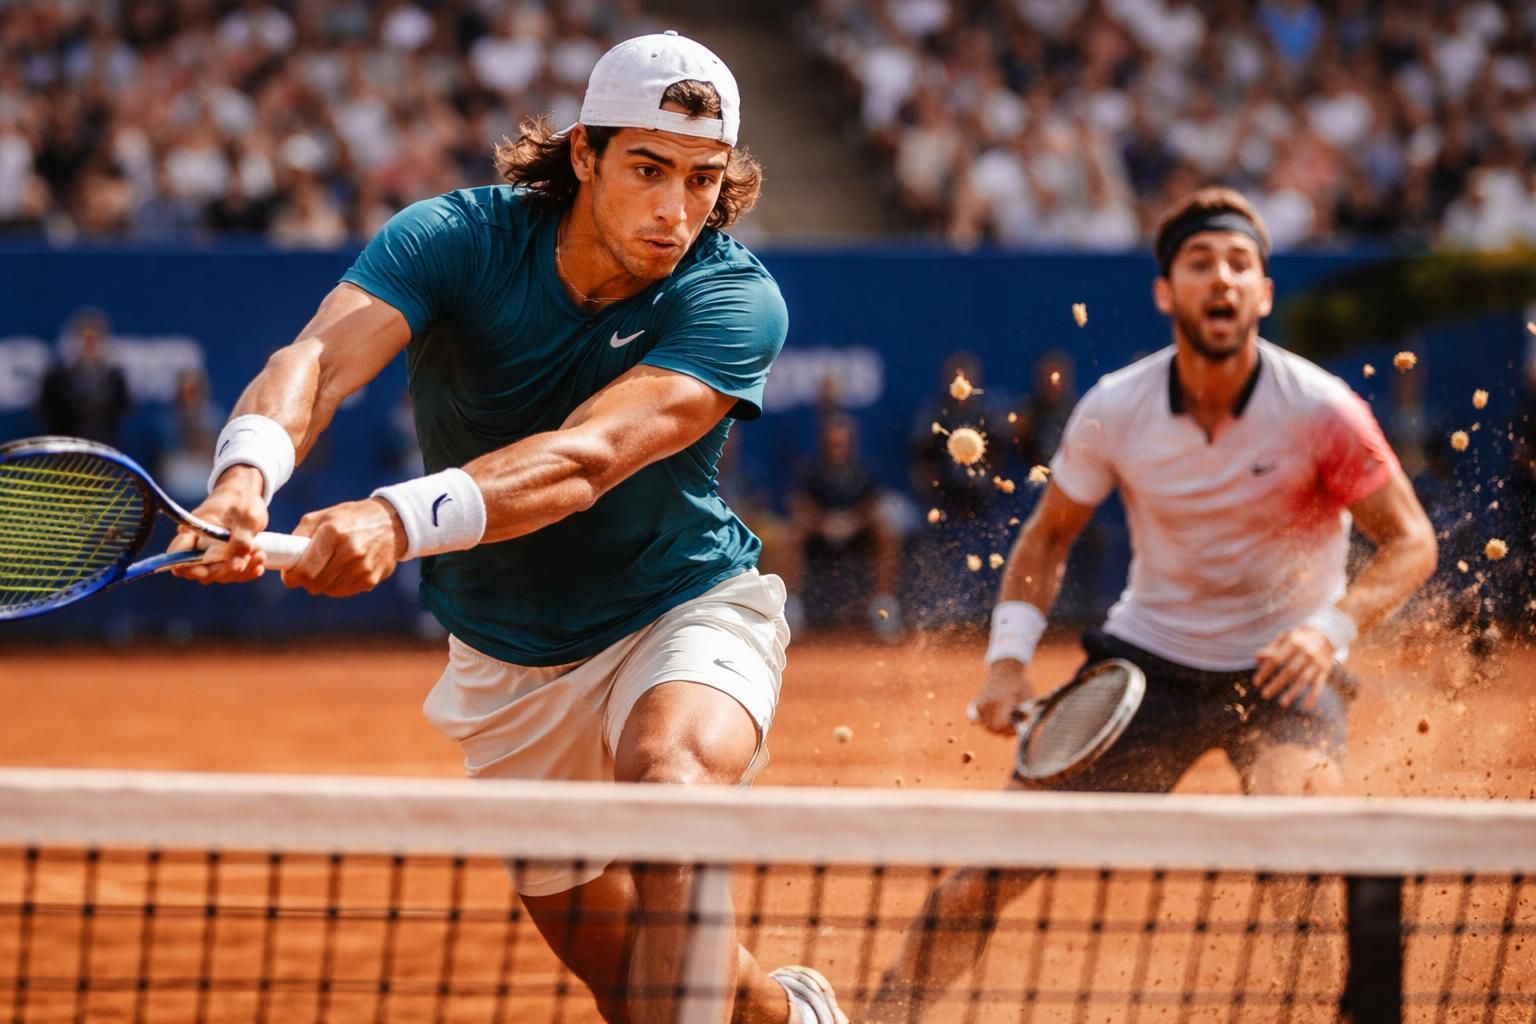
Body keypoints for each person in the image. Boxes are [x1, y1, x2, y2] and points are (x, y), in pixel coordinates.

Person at [171, 32, 846, 1024]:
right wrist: (243, 478)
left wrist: (395, 519)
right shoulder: (455, 238)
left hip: (679, 608)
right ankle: (792, 1013)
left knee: (671, 783)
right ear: (585, 154)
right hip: (507, 656)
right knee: (631, 985)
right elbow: (316, 361)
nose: (677, 209)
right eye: (648, 169)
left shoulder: (734, 297)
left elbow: (585, 460)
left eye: (703, 179)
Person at [867, 187, 1438, 1020]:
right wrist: (1006, 663)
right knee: (988, 872)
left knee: (1321, 852)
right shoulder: (1115, 407)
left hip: (1285, 674)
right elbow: (1046, 539)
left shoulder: (1322, 409)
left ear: (1263, 293)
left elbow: (1412, 540)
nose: (1222, 279)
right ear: (1167, 292)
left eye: (1240, 265)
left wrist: (1327, 631)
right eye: (1201, 263)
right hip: (1145, 673)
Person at [783, 411, 904, 640]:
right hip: (819, 535)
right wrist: (824, 523)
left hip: (856, 534)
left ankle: (884, 605)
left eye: (842, 444)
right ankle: (792, 608)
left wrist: (852, 522)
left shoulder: (865, 470)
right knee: (794, 534)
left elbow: (873, 506)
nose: (838, 448)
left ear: (851, 443)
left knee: (886, 534)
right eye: (833, 444)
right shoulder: (810, 469)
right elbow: (800, 505)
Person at [35, 308, 131, 445]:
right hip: (65, 449)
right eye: (85, 340)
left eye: (95, 340)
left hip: (104, 449)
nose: (90, 346)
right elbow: (46, 409)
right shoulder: (57, 377)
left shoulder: (114, 378)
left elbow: (124, 407)